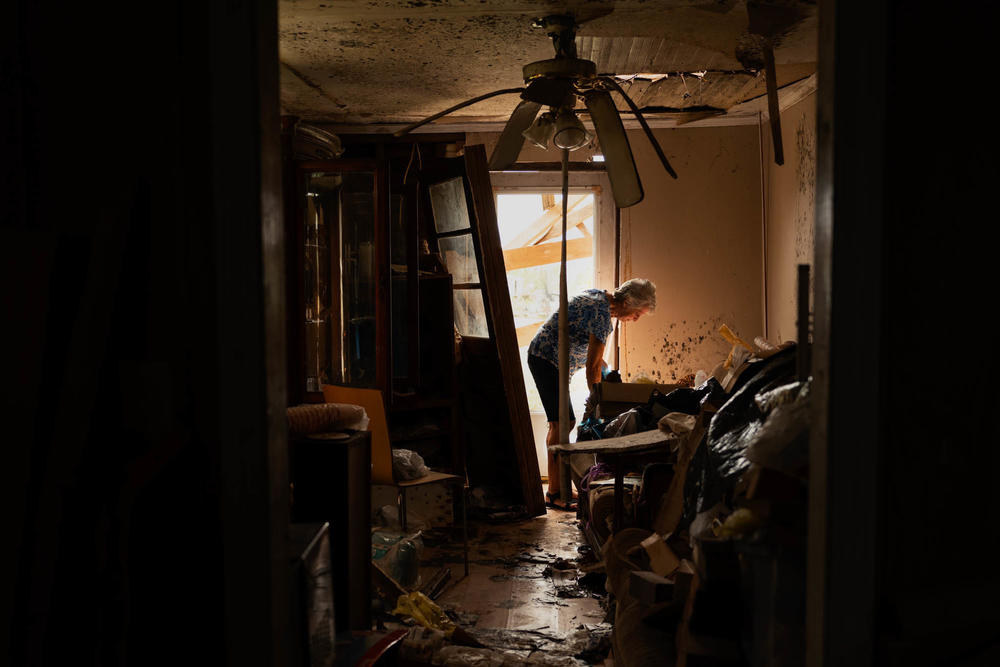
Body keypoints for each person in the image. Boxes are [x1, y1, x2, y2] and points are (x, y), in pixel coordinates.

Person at [527, 278, 656, 510]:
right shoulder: (602, 315)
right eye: (637, 313)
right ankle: (556, 493)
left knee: (559, 424)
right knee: (563, 423)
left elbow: (597, 360)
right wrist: (599, 402)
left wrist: (607, 376)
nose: (636, 319)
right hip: (547, 360)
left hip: (546, 358)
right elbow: (592, 367)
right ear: (627, 302)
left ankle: (554, 489)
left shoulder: (598, 298)